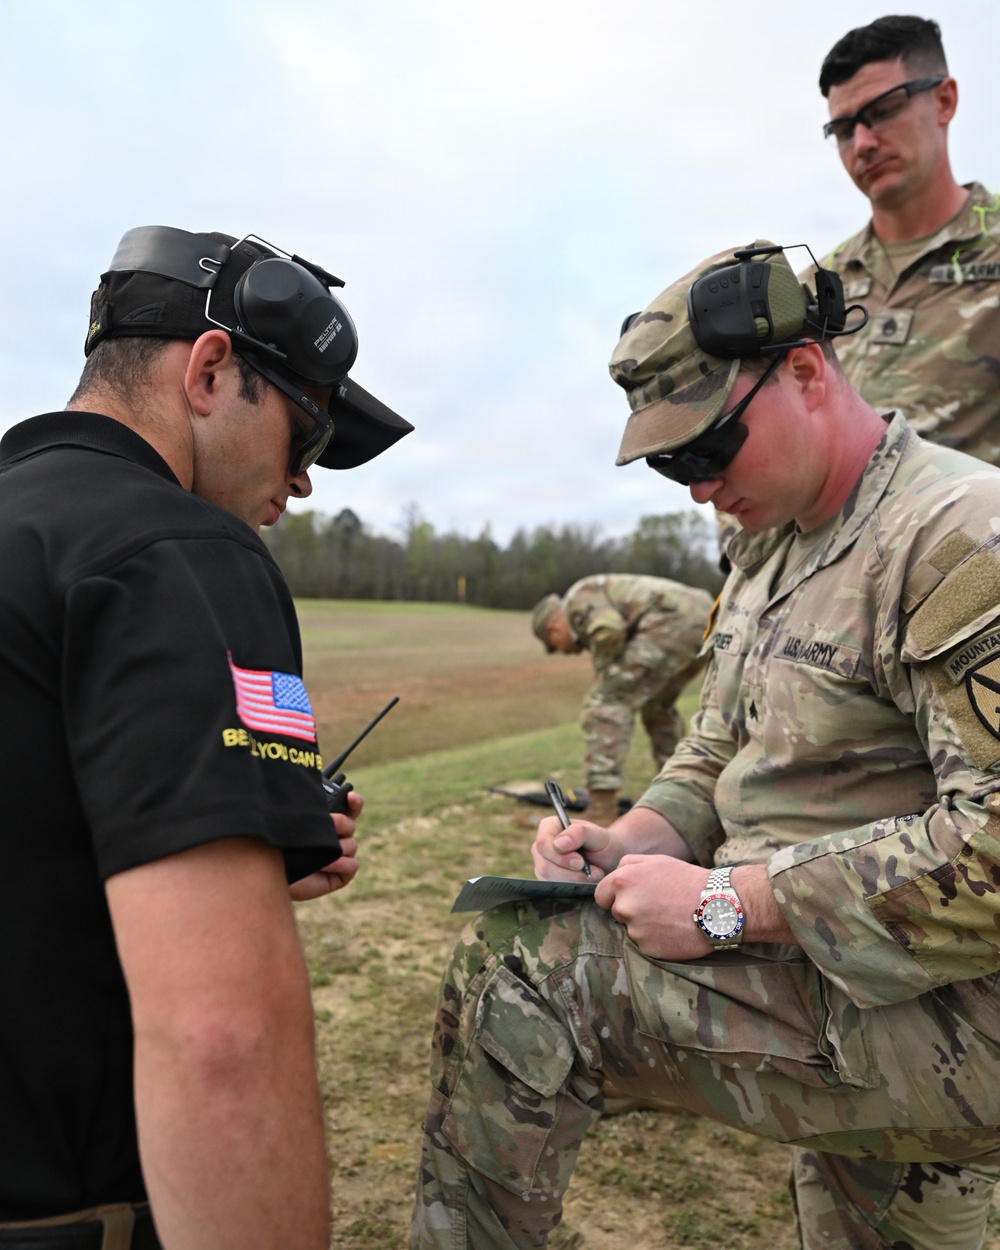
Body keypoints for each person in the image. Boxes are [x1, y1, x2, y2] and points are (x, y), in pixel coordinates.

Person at [409, 240, 1000, 1250]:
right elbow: (723, 738)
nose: (696, 487)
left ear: (807, 373)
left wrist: (727, 905)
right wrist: (638, 833)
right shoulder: (767, 545)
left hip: (955, 1010)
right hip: (853, 977)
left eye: (706, 448)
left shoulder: (957, 536)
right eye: (669, 463)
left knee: (523, 967)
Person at [0, 226, 412, 1249]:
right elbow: (222, 1040)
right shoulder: (181, 551)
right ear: (212, 367)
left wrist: (228, 852)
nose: (305, 481)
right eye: (307, 432)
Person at [819, 14, 1000, 462]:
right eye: (843, 130)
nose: (862, 143)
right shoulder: (817, 288)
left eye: (882, 112)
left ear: (944, 100)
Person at [530, 575, 712, 825]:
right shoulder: (591, 593)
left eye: (555, 646)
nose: (564, 652)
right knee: (657, 708)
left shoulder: (577, 601)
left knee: (604, 704)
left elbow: (609, 630)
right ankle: (679, 792)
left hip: (670, 624)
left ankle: (603, 808)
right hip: (706, 622)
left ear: (553, 629)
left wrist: (604, 673)